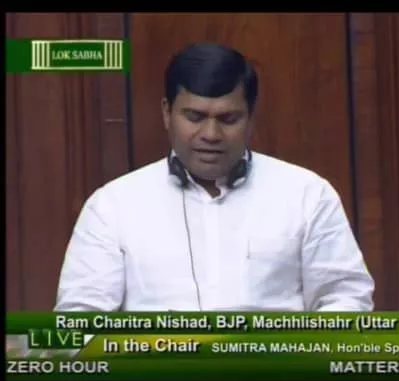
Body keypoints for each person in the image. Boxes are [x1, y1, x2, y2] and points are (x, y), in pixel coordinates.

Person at [54, 42, 375, 312]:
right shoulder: (113, 206)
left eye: (228, 118)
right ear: (167, 112)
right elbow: (79, 318)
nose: (211, 134)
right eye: (194, 117)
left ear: (251, 118)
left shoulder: (307, 194)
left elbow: (345, 298)